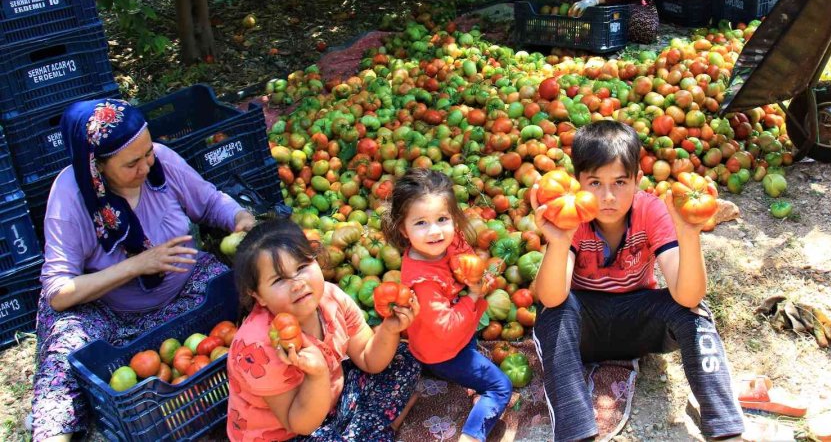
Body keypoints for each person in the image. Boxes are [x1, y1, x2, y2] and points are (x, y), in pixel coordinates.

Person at [31, 98, 257, 442]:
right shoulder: (70, 197)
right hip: (109, 311)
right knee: (66, 352)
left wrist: (239, 218)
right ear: (98, 167)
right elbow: (59, 292)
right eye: (132, 162)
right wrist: (136, 265)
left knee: (247, 292)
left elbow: (209, 201)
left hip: (185, 289)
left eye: (148, 152)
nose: (146, 165)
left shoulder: (160, 162)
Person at [531, 121, 744, 441]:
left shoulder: (651, 210)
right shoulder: (570, 214)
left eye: (619, 182)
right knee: (553, 314)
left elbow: (687, 296)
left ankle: (726, 427)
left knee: (694, 312)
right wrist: (559, 242)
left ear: (637, 180)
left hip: (640, 324)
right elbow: (551, 297)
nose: (607, 197)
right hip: (583, 331)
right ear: (577, 183)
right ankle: (576, 431)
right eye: (594, 183)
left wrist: (688, 234)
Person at [226, 218, 420, 441]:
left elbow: (369, 360)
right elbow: (301, 425)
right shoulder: (257, 346)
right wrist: (317, 375)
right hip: (289, 433)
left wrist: (389, 329)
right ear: (258, 295)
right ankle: (381, 426)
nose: (297, 284)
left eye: (302, 267)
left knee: (404, 360)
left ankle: (371, 429)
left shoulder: (331, 297)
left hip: (333, 402)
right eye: (279, 279)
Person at [385, 169, 513, 442]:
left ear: (453, 218)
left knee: (466, 344)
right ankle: (471, 437)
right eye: (421, 223)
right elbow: (445, 327)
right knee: (501, 387)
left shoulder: (450, 239)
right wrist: (474, 294)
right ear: (403, 229)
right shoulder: (423, 281)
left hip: (446, 339)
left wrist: (474, 273)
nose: (434, 231)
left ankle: (435, 366)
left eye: (442, 219)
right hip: (443, 351)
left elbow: (465, 257)